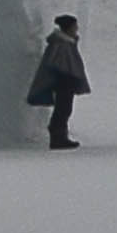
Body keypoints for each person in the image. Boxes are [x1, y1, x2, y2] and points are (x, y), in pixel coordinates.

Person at [27, 16, 89, 147]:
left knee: (65, 109)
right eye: (74, 26)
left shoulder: (65, 43)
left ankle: (61, 136)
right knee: (63, 109)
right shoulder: (61, 45)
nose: (76, 29)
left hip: (66, 82)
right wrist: (68, 77)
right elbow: (60, 64)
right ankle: (58, 137)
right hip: (63, 83)